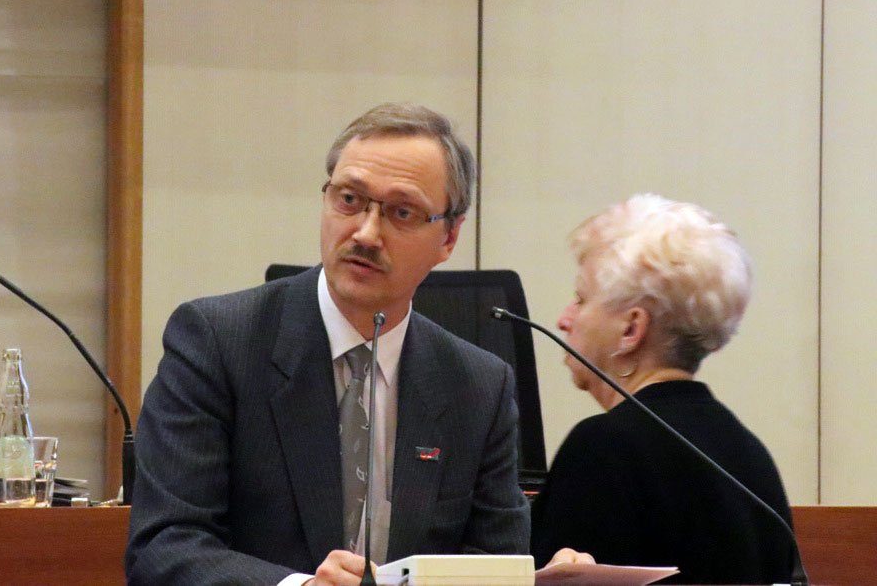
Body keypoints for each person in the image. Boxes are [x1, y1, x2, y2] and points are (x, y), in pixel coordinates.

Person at [127, 103, 588, 586]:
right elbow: (163, 547)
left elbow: (492, 560)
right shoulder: (217, 341)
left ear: (449, 237)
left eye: (402, 212)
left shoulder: (478, 385)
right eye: (349, 199)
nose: (366, 233)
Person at [530, 194, 795, 584]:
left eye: (581, 299)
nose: (564, 319)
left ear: (631, 330)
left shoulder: (602, 448)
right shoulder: (748, 454)